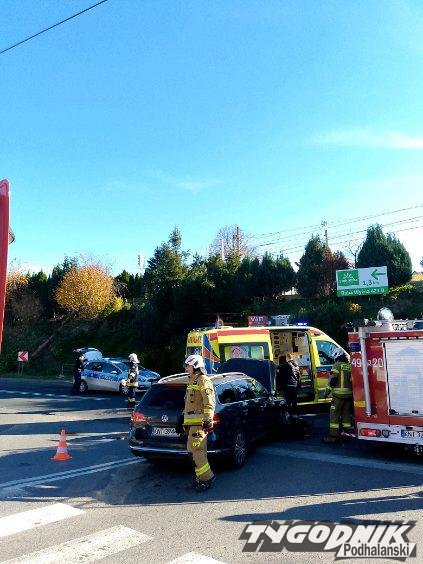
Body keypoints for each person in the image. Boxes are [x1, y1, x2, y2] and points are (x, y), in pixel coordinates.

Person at [183, 354, 216, 492]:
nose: (186, 368)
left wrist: (208, 420)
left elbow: (209, 402)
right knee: (192, 453)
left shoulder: (203, 380)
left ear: (196, 366)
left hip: (199, 425)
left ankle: (207, 478)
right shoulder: (192, 381)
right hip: (192, 426)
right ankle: (200, 477)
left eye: (188, 366)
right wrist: (182, 420)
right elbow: (190, 404)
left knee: (197, 452)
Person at [323, 348, 353, 443]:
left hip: (338, 395)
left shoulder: (337, 365)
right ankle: (347, 433)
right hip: (349, 395)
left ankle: (333, 436)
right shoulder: (348, 365)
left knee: (334, 414)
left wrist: (326, 393)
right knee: (346, 414)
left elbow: (332, 380)